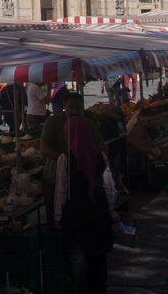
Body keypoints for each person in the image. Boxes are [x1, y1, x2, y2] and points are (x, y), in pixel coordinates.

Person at [52, 92, 113, 293]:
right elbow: (108, 186)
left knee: (79, 265)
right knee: (98, 264)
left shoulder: (65, 159)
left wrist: (57, 217)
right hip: (98, 213)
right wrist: (110, 209)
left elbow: (61, 192)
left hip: (76, 217)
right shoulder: (101, 156)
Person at [41, 90, 105, 224]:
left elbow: (101, 147)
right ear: (64, 106)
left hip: (82, 180)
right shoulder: (52, 122)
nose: (75, 111)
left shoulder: (88, 124)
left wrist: (84, 158)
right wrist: (66, 160)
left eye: (78, 108)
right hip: (54, 177)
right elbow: (44, 148)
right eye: (71, 107)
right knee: (55, 216)